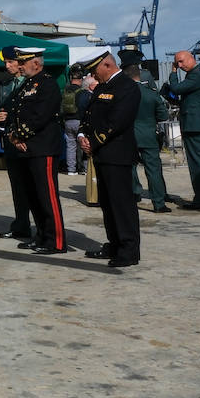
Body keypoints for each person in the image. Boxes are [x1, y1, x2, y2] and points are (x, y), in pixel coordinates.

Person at [77, 51, 142, 267]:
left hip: (117, 154)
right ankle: (114, 244)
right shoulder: (102, 87)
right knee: (107, 204)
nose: (93, 75)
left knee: (122, 205)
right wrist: (82, 135)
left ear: (107, 65)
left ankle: (128, 250)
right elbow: (88, 115)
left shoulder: (127, 86)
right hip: (101, 154)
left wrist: (93, 142)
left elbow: (117, 121)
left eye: (95, 70)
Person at [2, 47, 67, 253]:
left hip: (42, 147)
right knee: (34, 196)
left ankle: (56, 241)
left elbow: (41, 116)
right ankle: (41, 236)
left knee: (47, 197)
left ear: (36, 63)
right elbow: (13, 112)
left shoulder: (48, 84)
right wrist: (14, 136)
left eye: (23, 62)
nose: (20, 66)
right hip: (26, 148)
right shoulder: (26, 85)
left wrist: (19, 135)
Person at [163, 50, 200, 209]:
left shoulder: (197, 74)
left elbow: (176, 88)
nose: (180, 65)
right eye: (177, 63)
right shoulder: (195, 74)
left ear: (191, 58)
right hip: (196, 124)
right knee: (199, 162)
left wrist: (173, 72)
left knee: (197, 164)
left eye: (181, 61)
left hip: (196, 125)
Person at [124, 52, 169, 213]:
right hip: (149, 135)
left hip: (128, 136)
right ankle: (159, 203)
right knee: (153, 170)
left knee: (130, 168)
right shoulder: (151, 94)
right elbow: (163, 116)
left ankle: (134, 194)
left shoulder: (122, 95)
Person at [0, 47, 33, 240]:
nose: (7, 66)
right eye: (6, 62)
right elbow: (2, 106)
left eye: (10, 62)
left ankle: (43, 229)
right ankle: (21, 225)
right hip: (11, 139)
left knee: (33, 187)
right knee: (17, 186)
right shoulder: (6, 84)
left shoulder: (31, 83)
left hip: (28, 140)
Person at [61, 69, 85, 175]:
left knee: (70, 145)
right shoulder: (81, 91)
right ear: (80, 79)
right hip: (79, 120)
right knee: (82, 144)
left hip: (67, 121)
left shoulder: (65, 91)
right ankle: (82, 168)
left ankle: (71, 169)